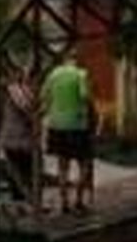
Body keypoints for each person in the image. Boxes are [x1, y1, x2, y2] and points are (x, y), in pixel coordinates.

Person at [40, 52, 97, 216]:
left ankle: (64, 203)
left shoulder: (53, 75)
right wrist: (92, 111)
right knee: (84, 164)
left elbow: (44, 96)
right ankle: (78, 202)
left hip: (56, 126)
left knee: (62, 166)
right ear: (76, 60)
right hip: (78, 126)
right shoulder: (80, 74)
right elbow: (85, 96)